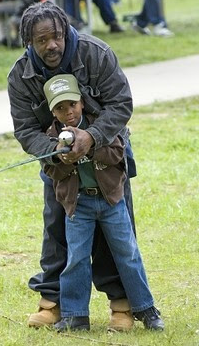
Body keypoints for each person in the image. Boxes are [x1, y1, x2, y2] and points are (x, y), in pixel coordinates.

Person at [8, 0, 138, 332]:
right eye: (42, 40)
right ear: (29, 42)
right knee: (56, 227)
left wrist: (91, 137)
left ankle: (122, 306)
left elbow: (121, 103)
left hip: (108, 155)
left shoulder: (97, 54)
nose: (52, 45)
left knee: (116, 231)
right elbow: (25, 130)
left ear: (65, 31)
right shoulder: (20, 76)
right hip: (59, 164)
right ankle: (52, 303)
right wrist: (55, 151)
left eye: (57, 36)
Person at [41, 73, 164, 332]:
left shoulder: (100, 125)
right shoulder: (52, 136)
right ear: (53, 111)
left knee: (127, 254)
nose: (69, 112)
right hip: (78, 206)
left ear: (82, 103)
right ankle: (75, 315)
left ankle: (146, 309)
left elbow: (117, 152)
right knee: (77, 258)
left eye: (72, 105)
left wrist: (88, 144)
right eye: (60, 108)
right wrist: (62, 159)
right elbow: (50, 171)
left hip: (111, 201)